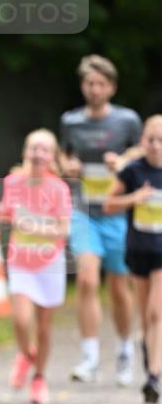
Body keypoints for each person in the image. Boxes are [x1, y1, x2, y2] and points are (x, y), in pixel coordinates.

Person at [59, 55, 142, 384]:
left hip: (117, 211)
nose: (94, 89)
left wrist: (121, 160)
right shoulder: (71, 120)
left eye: (100, 84)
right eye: (89, 83)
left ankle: (125, 350)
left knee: (120, 288)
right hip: (84, 210)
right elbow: (63, 153)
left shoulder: (127, 120)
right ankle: (90, 356)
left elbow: (143, 153)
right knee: (87, 280)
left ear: (111, 87)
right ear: (83, 86)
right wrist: (68, 165)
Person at [0, 129, 72, 404]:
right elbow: (9, 214)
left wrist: (31, 226)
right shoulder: (12, 182)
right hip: (20, 262)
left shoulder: (59, 188)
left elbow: (62, 231)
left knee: (44, 328)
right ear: (25, 152)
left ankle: (39, 378)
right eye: (33, 148)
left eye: (44, 149)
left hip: (49, 264)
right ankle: (26, 353)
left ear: (52, 156)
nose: (38, 154)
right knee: (22, 321)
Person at [104, 115, 162, 404]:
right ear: (142, 142)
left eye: (161, 140)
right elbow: (109, 204)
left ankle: (153, 376)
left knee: (155, 313)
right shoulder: (133, 171)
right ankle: (150, 357)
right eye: (151, 139)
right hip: (139, 250)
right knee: (145, 315)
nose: (156, 145)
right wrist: (135, 198)